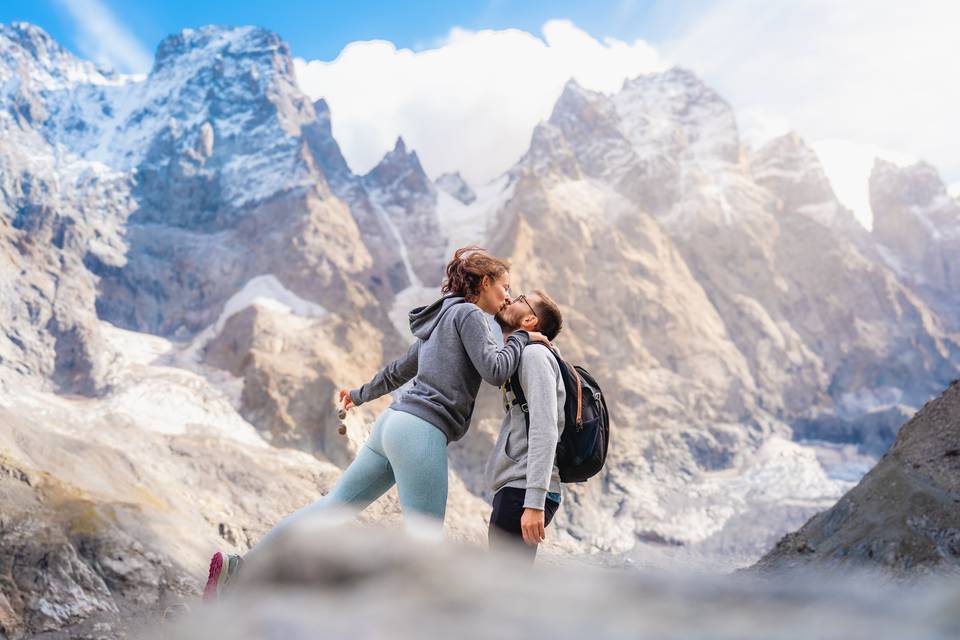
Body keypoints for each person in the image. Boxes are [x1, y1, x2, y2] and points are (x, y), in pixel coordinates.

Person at [203, 246, 551, 601]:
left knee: (334, 505)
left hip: (392, 424)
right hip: (421, 431)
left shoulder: (442, 317)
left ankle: (242, 569)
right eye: (505, 287)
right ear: (486, 282)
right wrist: (523, 337)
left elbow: (400, 369)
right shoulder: (472, 317)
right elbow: (495, 370)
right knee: (425, 542)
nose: (507, 296)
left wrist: (359, 394)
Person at [486, 289, 565, 563]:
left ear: (530, 321)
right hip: (519, 486)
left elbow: (546, 428)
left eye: (520, 300)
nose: (509, 299)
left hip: (524, 490)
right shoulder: (523, 354)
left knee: (502, 590)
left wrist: (534, 502)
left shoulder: (534, 357)